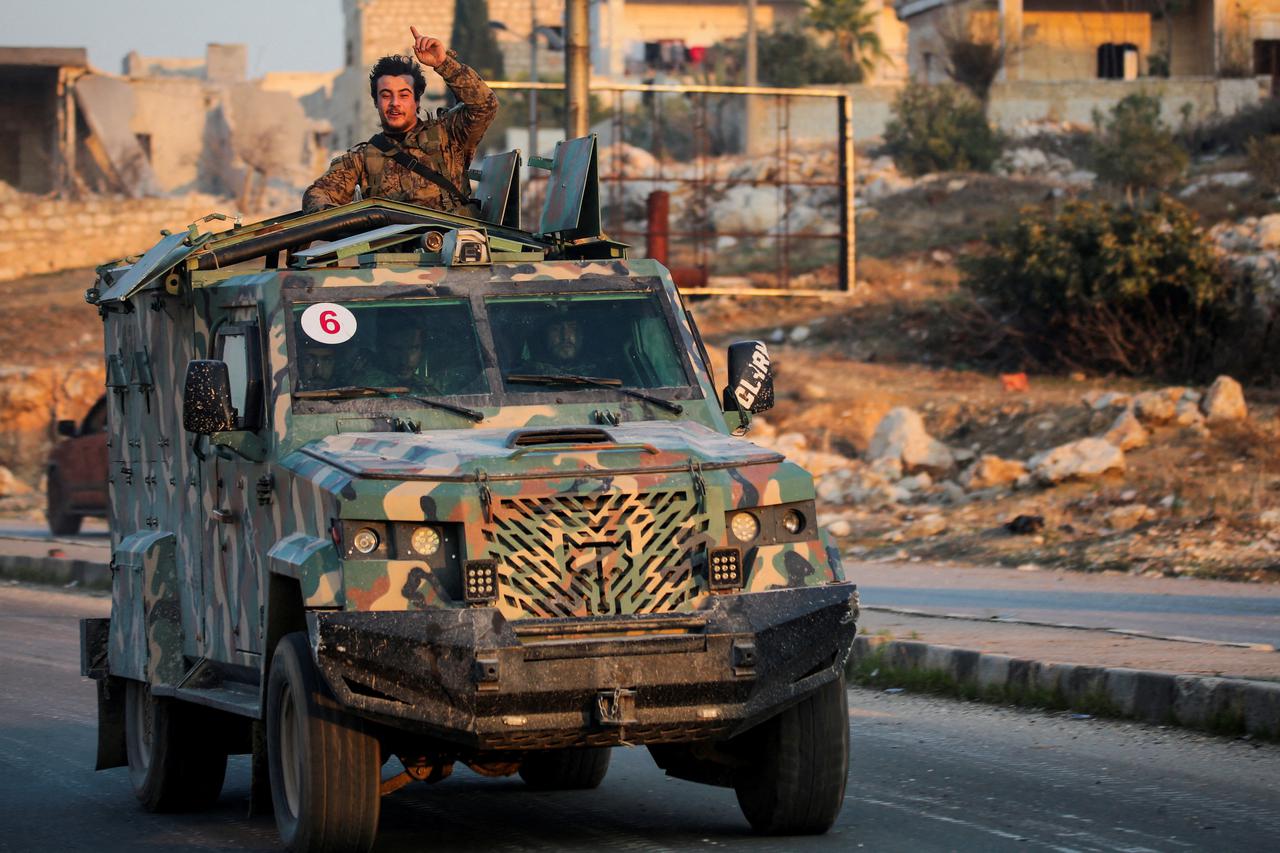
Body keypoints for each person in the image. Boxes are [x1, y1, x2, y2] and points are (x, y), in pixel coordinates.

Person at [302, 27, 498, 214]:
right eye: (386, 95)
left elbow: (485, 105)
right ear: (376, 102)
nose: (395, 103)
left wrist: (443, 63)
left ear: (417, 99)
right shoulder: (362, 158)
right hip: (392, 247)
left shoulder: (449, 135)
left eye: (403, 95)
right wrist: (346, 221)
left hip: (449, 244)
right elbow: (317, 194)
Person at [354, 326, 441, 394]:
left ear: (422, 352)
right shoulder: (363, 387)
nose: (404, 360)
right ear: (382, 350)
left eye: (413, 348)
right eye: (396, 349)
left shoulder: (426, 389)